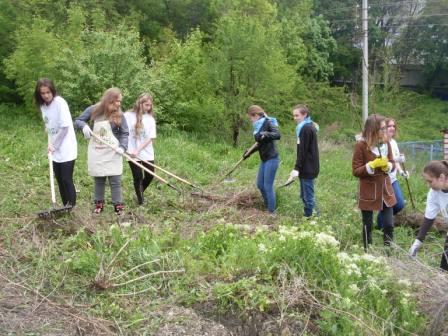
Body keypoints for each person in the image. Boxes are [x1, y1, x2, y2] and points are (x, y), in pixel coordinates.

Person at [74, 88, 129, 215]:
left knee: (115, 178)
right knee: (99, 178)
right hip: (98, 150)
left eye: (120, 101)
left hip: (113, 150)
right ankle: (99, 204)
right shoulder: (94, 109)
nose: (119, 104)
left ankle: (118, 206)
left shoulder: (119, 114)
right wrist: (84, 127)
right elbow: (78, 120)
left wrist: (123, 147)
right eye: (117, 101)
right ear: (109, 99)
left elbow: (125, 132)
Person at [352, 114, 396, 250]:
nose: (385, 132)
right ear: (372, 129)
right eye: (382, 129)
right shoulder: (361, 145)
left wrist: (388, 166)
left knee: (389, 224)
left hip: (385, 189)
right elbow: (356, 170)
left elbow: (393, 163)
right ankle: (367, 250)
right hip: (368, 190)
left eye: (385, 128)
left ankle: (388, 251)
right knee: (368, 225)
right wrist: (370, 166)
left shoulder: (386, 143)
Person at [34, 78, 77, 207]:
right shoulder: (43, 106)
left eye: (48, 92)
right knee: (59, 180)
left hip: (66, 146)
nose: (46, 95)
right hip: (54, 148)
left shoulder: (60, 103)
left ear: (52, 91)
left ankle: (72, 207)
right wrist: (48, 128)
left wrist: (54, 145)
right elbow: (49, 122)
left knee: (66, 179)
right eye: (43, 93)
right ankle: (65, 206)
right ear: (39, 94)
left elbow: (64, 128)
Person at [409, 160, 448, 271]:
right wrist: (418, 241)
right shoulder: (434, 193)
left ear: (441, 177)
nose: (428, 185)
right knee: (444, 270)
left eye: (430, 181)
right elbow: (429, 218)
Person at [243, 105, 281, 213]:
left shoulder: (268, 122)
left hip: (272, 158)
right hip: (264, 158)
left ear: (255, 115)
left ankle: (272, 212)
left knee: (268, 186)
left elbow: (277, 135)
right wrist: (249, 153)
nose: (250, 120)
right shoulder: (257, 127)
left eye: (250, 117)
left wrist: (266, 133)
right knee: (260, 184)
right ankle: (268, 205)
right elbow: (259, 144)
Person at [287, 104, 319, 217]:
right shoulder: (307, 126)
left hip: (308, 168)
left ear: (305, 115)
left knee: (308, 196)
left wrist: (297, 168)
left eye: (297, 115)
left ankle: (311, 218)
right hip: (306, 167)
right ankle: (313, 216)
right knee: (304, 195)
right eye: (294, 116)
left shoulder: (305, 129)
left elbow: (302, 151)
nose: (295, 118)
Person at [124, 93, 156, 205]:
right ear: (140, 103)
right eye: (146, 105)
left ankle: (139, 192)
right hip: (131, 151)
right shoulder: (128, 115)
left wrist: (139, 149)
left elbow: (150, 138)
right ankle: (141, 201)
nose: (149, 107)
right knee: (138, 176)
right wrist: (125, 147)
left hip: (146, 151)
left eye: (150, 105)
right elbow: (122, 131)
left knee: (150, 175)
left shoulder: (150, 119)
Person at [377, 118, 408, 228]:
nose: (392, 128)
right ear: (384, 128)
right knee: (388, 204)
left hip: (393, 179)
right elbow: (383, 160)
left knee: (399, 204)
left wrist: (401, 171)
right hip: (384, 178)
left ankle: (382, 220)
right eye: (389, 126)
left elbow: (396, 160)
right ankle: (380, 226)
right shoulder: (381, 142)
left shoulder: (394, 142)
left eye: (394, 126)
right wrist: (396, 159)